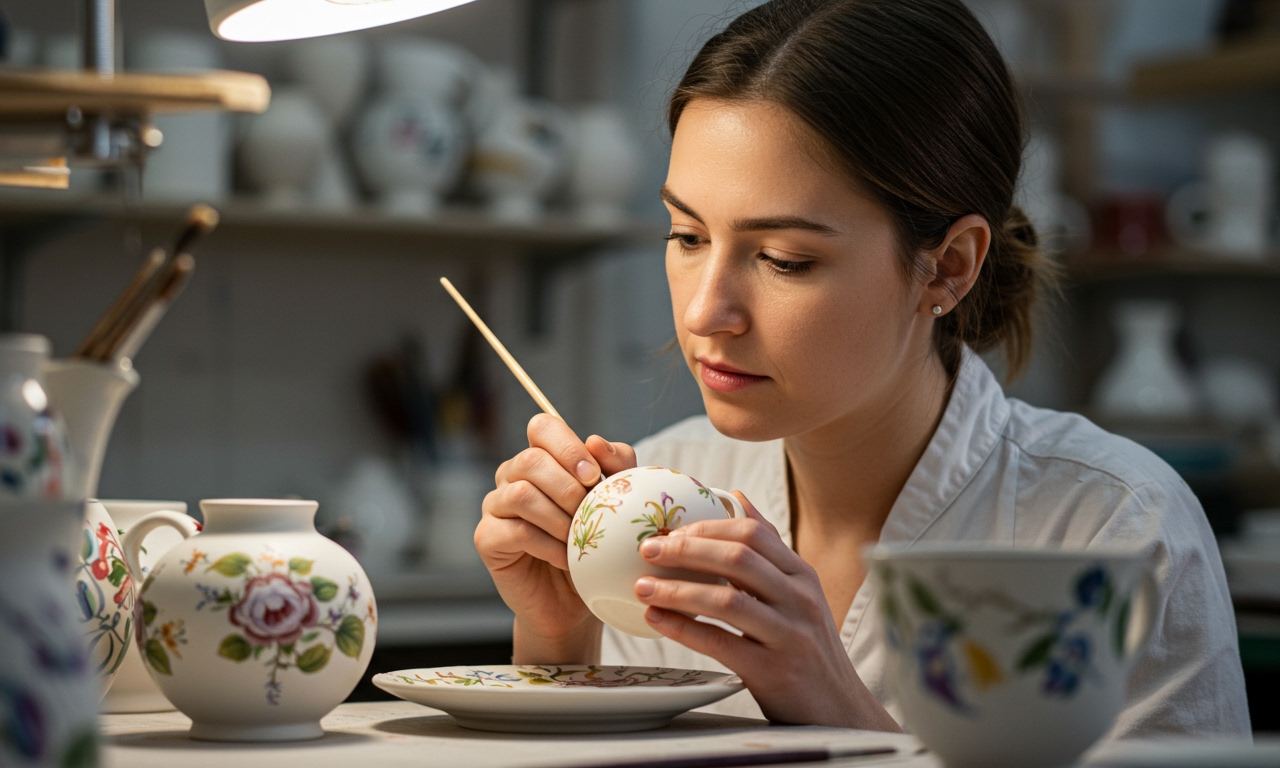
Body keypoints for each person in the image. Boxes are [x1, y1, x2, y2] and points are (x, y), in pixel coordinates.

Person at [474, 0, 1250, 737]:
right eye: (686, 236)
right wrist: (557, 640)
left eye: (784, 258)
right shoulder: (656, 503)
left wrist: (839, 708)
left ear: (948, 266)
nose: (705, 312)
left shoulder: (1114, 530)